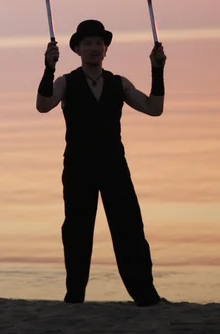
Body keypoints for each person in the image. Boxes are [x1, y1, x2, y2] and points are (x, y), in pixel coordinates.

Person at [36, 19, 167, 306]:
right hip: (78, 167)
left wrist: (157, 70)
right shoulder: (66, 82)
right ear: (77, 49)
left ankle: (146, 296)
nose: (94, 48)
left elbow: (154, 109)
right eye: (87, 44)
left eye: (98, 43)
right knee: (77, 231)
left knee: (130, 229)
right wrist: (49, 68)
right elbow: (43, 105)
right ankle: (75, 297)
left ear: (106, 49)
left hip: (113, 167)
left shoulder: (119, 83)